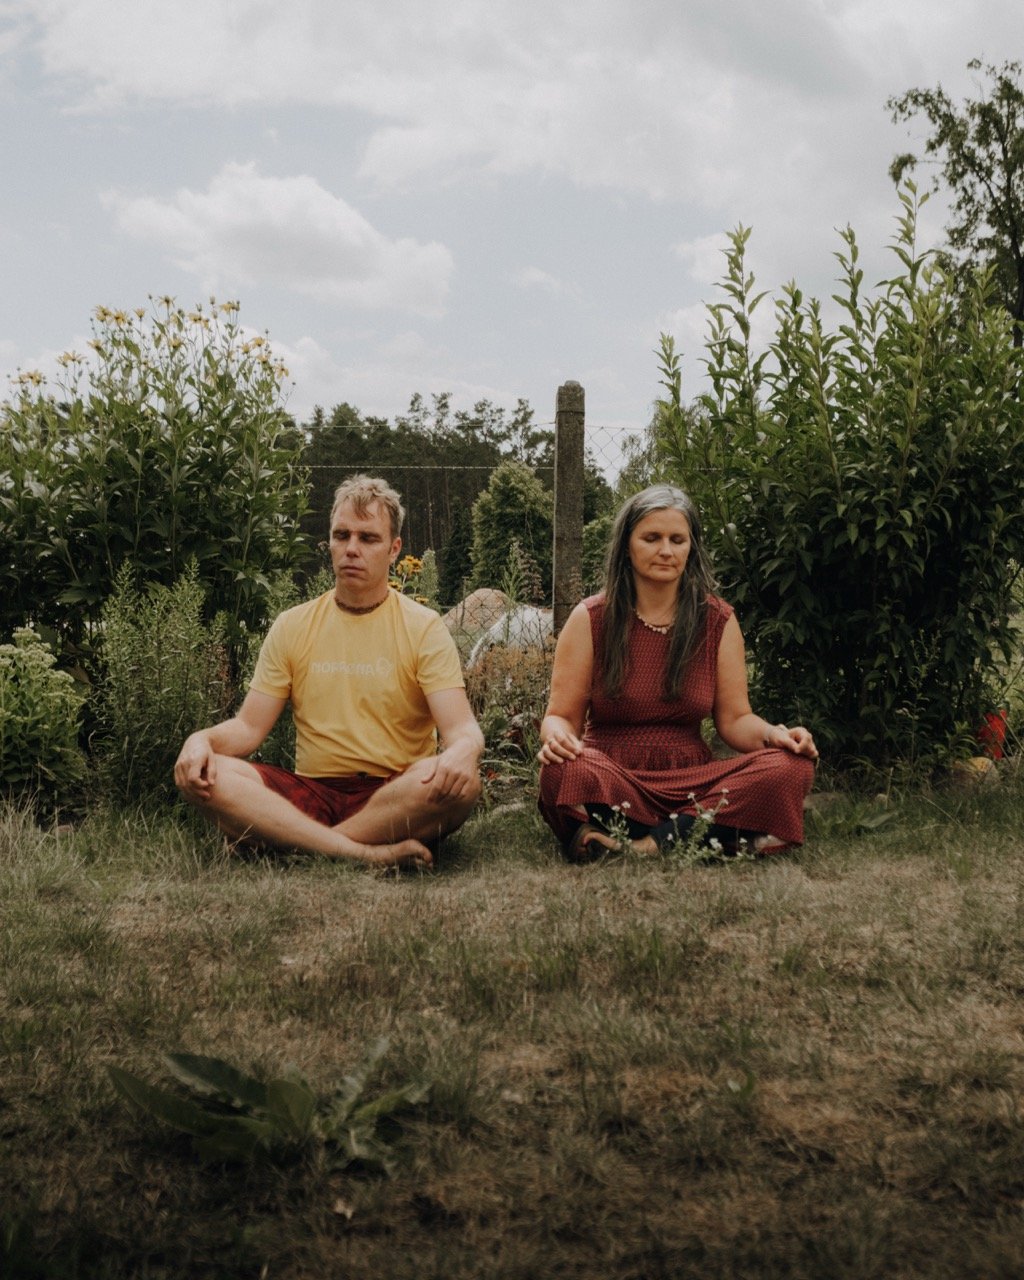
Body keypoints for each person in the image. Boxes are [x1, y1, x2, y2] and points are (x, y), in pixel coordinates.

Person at [175, 475, 483, 869]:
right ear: (331, 542)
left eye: (368, 538)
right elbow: (248, 729)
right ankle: (362, 853)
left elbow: (461, 730)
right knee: (210, 772)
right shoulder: (293, 625)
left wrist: (462, 752)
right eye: (342, 535)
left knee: (463, 784)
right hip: (311, 794)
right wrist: (200, 740)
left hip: (393, 794)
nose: (351, 549)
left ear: (394, 549)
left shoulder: (423, 626)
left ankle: (287, 841)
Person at [537, 484, 817, 861]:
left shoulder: (718, 620)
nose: (666, 550)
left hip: (695, 784)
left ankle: (643, 846)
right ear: (627, 546)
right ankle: (710, 835)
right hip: (612, 777)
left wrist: (774, 735)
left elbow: (735, 720)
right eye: (651, 538)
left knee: (789, 766)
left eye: (677, 539)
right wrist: (557, 739)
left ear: (692, 548)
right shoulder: (591, 618)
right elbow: (560, 716)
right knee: (561, 770)